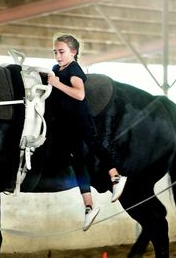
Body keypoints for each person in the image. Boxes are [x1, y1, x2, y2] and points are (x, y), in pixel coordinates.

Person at [47, 34, 127, 231]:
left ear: (73, 52)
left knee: (94, 145)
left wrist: (56, 83)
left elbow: (79, 93)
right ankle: (89, 206)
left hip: (79, 119)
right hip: (65, 124)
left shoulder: (74, 69)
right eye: (55, 52)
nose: (58, 56)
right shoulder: (56, 69)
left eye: (62, 52)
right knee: (77, 162)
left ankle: (116, 177)